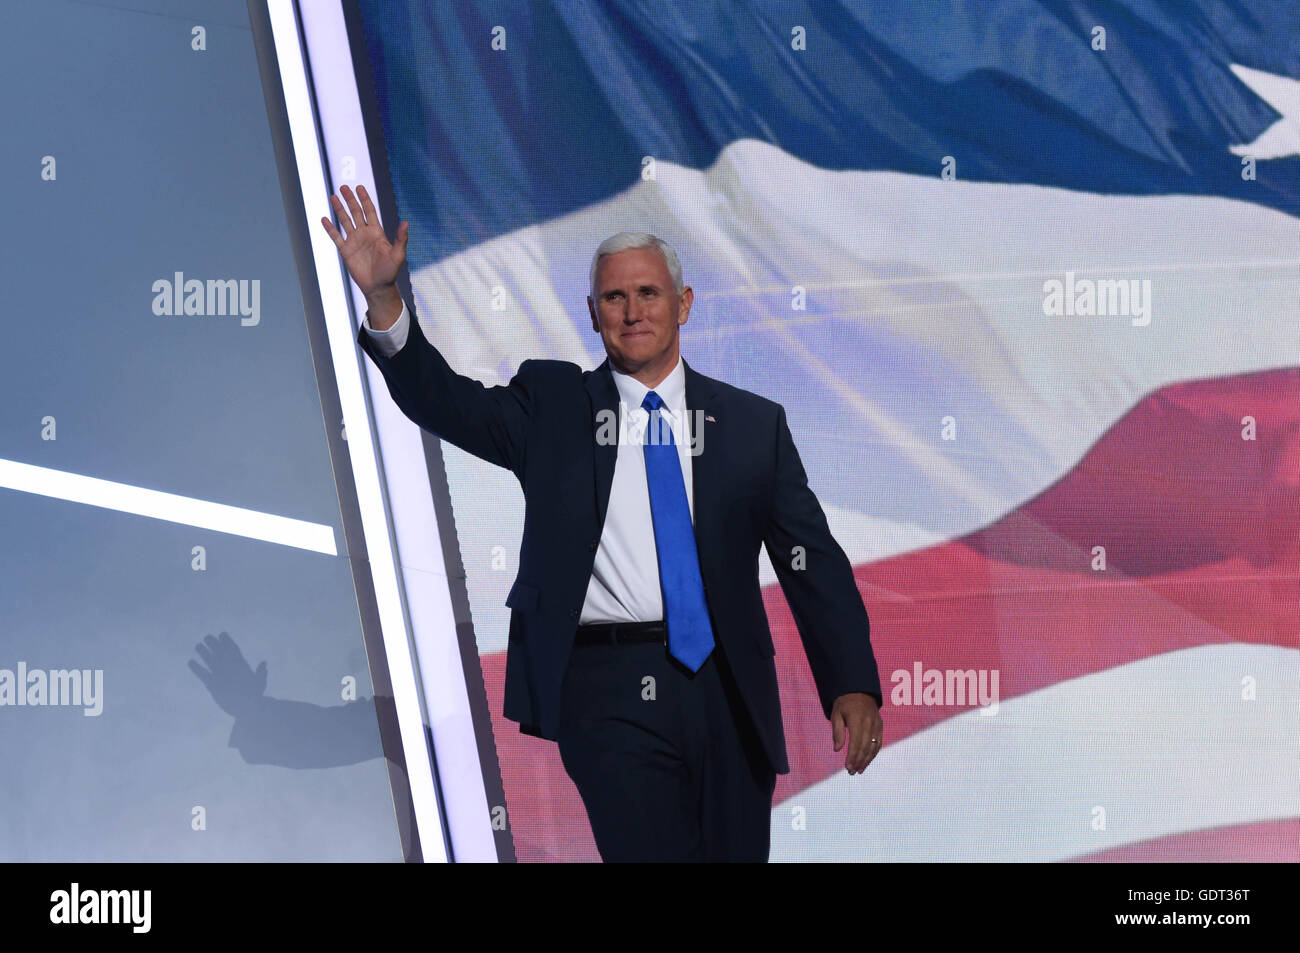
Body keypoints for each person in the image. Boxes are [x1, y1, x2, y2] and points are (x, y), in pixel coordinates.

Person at [321, 184, 883, 862]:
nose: (632, 310)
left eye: (648, 293)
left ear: (684, 304)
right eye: (614, 298)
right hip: (609, 690)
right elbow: (442, 400)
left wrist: (850, 678)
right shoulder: (552, 406)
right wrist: (385, 300)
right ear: (592, 314)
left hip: (730, 689)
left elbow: (811, 559)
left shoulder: (750, 425)